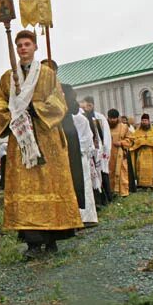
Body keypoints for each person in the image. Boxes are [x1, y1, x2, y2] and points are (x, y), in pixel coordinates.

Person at [0, 30, 83, 259]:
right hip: (21, 139)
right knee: (25, 187)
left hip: (45, 137)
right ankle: (32, 243)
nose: (23, 48)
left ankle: (52, 238)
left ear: (35, 47)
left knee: (49, 185)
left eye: (27, 44)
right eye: (19, 45)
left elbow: (58, 101)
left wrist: (35, 109)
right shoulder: (8, 77)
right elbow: (1, 104)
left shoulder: (46, 74)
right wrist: (14, 113)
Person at [61, 83, 96, 225]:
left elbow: (88, 137)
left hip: (80, 156)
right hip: (69, 155)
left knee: (84, 185)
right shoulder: (64, 118)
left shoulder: (80, 119)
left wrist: (78, 150)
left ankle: (86, 217)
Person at [80, 96, 113, 205]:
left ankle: (108, 198)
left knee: (103, 173)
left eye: (89, 106)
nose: (87, 108)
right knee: (94, 176)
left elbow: (106, 134)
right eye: (85, 106)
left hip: (100, 150)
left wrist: (106, 148)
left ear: (93, 105)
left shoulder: (100, 117)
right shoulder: (83, 117)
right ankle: (98, 200)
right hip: (90, 150)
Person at [129, 114, 153, 188]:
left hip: (152, 155)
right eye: (143, 121)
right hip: (141, 155)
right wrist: (141, 142)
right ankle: (142, 184)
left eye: (145, 121)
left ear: (149, 121)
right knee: (141, 169)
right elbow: (132, 143)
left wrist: (149, 142)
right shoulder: (137, 132)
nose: (144, 122)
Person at [107, 109, 131, 197]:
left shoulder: (124, 127)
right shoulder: (104, 127)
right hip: (108, 155)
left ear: (118, 118)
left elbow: (130, 140)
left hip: (120, 154)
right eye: (110, 118)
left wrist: (121, 143)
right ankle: (112, 192)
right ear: (108, 118)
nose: (112, 120)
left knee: (122, 173)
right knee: (110, 172)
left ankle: (123, 192)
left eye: (114, 118)